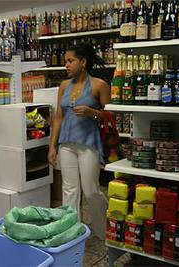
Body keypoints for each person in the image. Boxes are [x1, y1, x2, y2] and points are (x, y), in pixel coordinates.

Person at [48, 43, 109, 240]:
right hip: (66, 143)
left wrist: (93, 112)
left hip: (88, 144)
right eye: (66, 61)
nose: (66, 65)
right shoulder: (64, 86)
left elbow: (112, 117)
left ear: (83, 62)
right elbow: (58, 116)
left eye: (70, 61)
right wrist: (52, 146)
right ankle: (72, 232)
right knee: (70, 190)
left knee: (91, 190)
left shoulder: (99, 85)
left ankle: (105, 231)